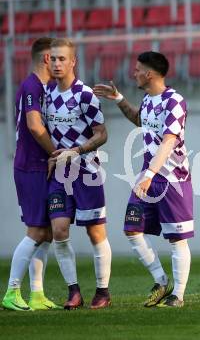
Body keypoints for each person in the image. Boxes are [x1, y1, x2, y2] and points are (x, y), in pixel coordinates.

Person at [93, 51, 193, 308]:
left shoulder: (175, 101)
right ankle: (161, 281)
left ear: (149, 73)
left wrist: (148, 175)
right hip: (148, 176)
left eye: (137, 69)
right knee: (132, 228)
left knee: (176, 238)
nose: (133, 72)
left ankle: (177, 296)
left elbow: (169, 141)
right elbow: (140, 119)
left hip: (171, 178)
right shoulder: (148, 99)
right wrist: (119, 99)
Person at [46, 38, 112, 309]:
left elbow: (102, 134)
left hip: (87, 173)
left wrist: (76, 150)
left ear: (73, 62)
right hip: (59, 175)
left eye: (62, 59)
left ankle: (103, 292)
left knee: (96, 233)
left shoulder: (85, 95)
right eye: (53, 59)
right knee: (60, 231)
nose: (57, 63)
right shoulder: (46, 92)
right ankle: (73, 291)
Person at [2, 37, 61, 311]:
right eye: (56, 58)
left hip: (42, 165)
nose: (59, 63)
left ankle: (37, 294)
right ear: (46, 59)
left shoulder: (46, 87)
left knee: (47, 232)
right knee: (36, 230)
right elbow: (35, 127)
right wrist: (56, 153)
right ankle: (12, 291)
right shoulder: (31, 86)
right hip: (31, 166)